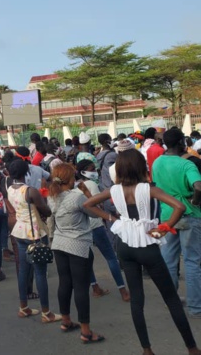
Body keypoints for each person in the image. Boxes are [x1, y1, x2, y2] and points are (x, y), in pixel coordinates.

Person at [84, 149, 201, 355]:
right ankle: (192, 348)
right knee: (171, 299)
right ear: (141, 167)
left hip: (125, 245)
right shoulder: (148, 189)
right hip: (147, 245)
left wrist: (111, 218)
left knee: (137, 300)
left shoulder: (114, 190)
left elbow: (88, 204)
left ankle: (147, 349)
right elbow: (179, 207)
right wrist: (164, 228)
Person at [48, 163, 106, 343]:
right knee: (81, 286)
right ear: (71, 178)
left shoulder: (53, 197)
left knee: (65, 282)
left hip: (59, 243)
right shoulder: (77, 197)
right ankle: (86, 331)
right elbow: (96, 214)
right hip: (78, 244)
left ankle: (65, 320)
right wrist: (87, 193)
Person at [152, 128, 201, 319]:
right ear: (181, 142)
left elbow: (157, 186)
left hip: (167, 216)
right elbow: (198, 186)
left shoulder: (157, 163)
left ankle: (171, 302)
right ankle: (196, 307)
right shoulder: (186, 165)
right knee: (192, 262)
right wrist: (195, 200)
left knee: (169, 261)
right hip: (189, 214)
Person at [7, 159, 58, 323]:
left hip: (20, 231)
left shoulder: (10, 189)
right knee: (40, 273)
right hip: (35, 232)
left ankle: (24, 307)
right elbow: (46, 211)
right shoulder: (30, 191)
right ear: (26, 172)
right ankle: (46, 312)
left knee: (23, 270)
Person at [75, 159, 130, 302]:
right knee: (111, 257)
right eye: (92, 169)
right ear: (84, 171)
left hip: (84, 226)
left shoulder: (76, 185)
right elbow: (97, 203)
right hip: (96, 224)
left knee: (88, 259)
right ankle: (123, 290)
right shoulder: (92, 184)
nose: (95, 172)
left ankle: (95, 288)